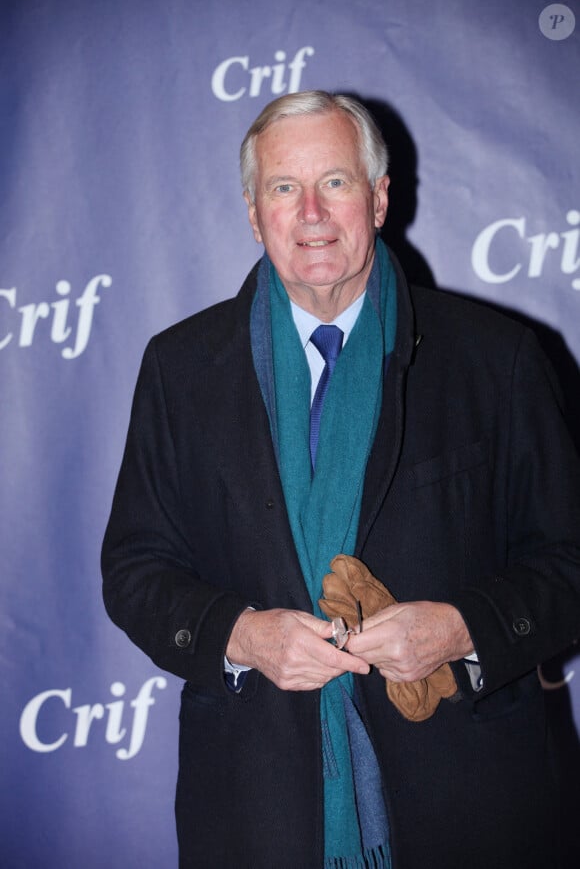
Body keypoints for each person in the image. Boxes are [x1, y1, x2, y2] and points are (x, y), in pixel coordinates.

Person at [101, 91, 580, 869]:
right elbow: (133, 570)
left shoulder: (498, 360)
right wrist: (240, 635)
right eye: (285, 188)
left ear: (381, 198)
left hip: (471, 806)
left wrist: (460, 629)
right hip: (256, 808)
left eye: (337, 182)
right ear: (255, 215)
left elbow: (568, 560)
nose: (312, 213)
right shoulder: (179, 369)